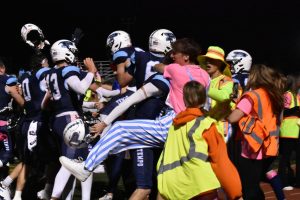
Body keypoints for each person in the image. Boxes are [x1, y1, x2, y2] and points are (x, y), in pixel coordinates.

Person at [59, 38, 210, 186]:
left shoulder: (175, 69)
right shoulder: (205, 75)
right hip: (195, 126)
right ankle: (99, 159)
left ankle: (86, 168)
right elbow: (207, 104)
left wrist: (136, 62)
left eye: (175, 53)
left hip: (172, 123)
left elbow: (158, 67)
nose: (172, 55)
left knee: (120, 128)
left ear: (186, 56)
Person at [157, 80, 242, 200]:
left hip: (174, 186)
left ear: (184, 99)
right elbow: (220, 160)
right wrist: (235, 192)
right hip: (202, 183)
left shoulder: (174, 126)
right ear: (204, 99)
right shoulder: (206, 124)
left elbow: (165, 157)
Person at [44, 39, 97, 200]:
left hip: (58, 119)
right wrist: (91, 71)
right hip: (71, 119)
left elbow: (44, 105)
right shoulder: (68, 70)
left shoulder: (51, 73)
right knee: (70, 163)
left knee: (81, 163)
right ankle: (54, 197)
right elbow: (81, 87)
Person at [227, 64, 286, 200]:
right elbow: (279, 120)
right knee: (255, 184)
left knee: (248, 188)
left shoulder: (252, 96)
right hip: (270, 146)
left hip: (252, 147)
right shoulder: (275, 95)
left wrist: (228, 109)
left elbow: (233, 118)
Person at [197, 46, 234, 142]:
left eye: (212, 60)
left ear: (220, 63)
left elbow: (225, 97)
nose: (208, 62)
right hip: (203, 126)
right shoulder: (203, 80)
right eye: (207, 60)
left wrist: (203, 89)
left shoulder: (228, 81)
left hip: (220, 127)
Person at [0, 58, 25, 200]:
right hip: (3, 125)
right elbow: (21, 101)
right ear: (2, 68)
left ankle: (4, 185)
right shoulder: (7, 80)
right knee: (7, 154)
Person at [278, 74, 300, 190]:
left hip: (297, 130)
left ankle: (297, 181)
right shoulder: (287, 95)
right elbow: (283, 112)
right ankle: (284, 181)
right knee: (285, 157)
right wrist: (295, 110)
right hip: (288, 131)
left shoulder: (297, 95)